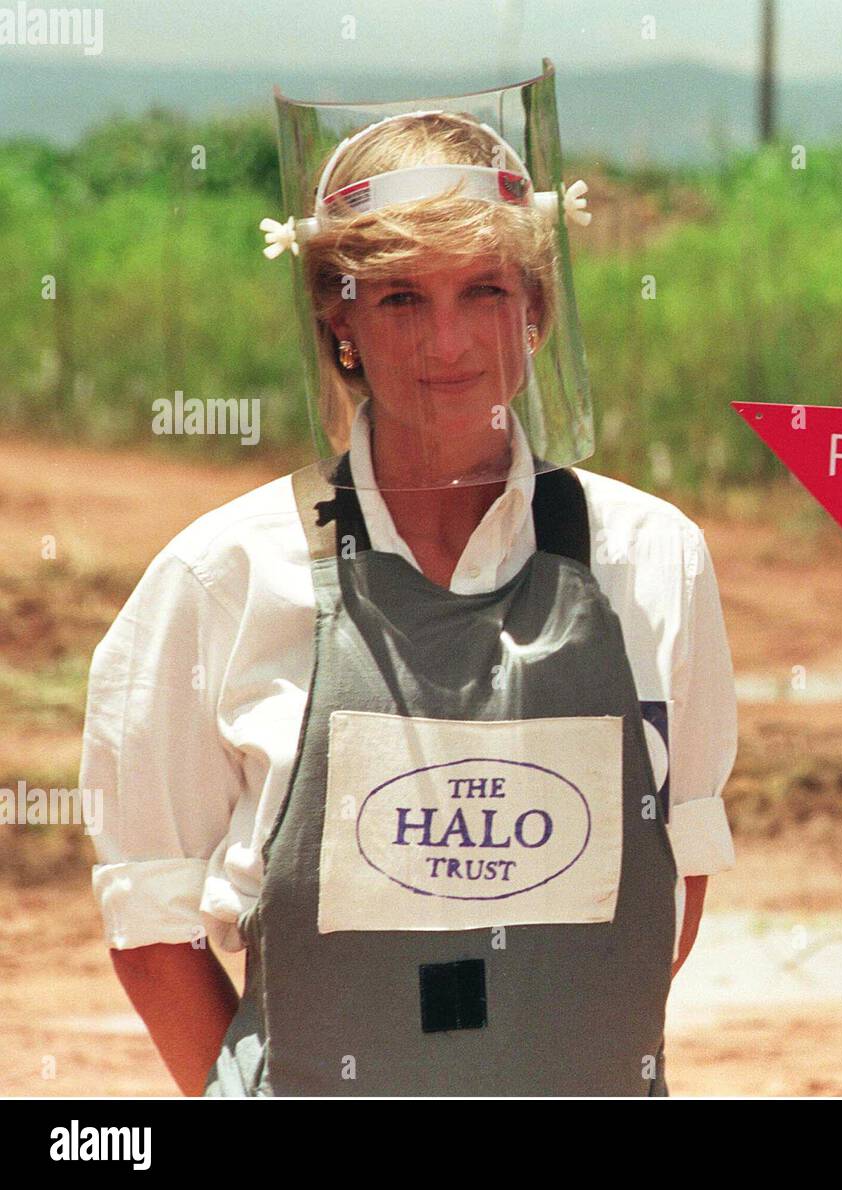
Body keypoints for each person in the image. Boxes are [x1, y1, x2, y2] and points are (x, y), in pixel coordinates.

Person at [79, 65, 738, 1096]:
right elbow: (151, 925)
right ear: (336, 320)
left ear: (536, 307)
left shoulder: (651, 558)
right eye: (399, 298)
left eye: (484, 290)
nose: (448, 343)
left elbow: (673, 871)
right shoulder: (223, 578)